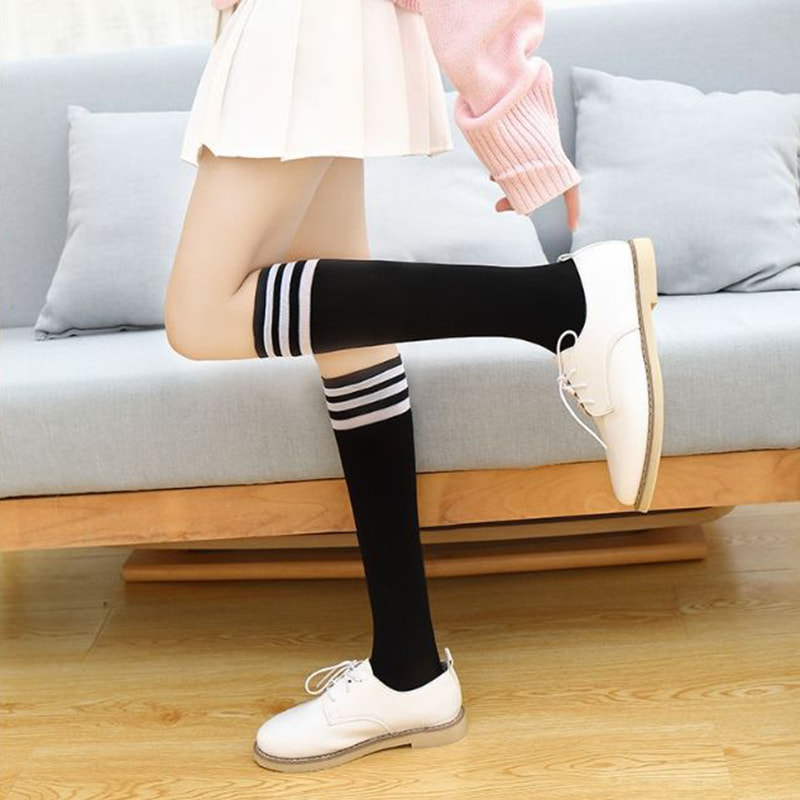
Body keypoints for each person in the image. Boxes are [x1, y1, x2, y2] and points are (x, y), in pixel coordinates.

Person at [165, 0, 664, 772]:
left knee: (199, 317)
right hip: (292, 32)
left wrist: (520, 130)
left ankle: (563, 305)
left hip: (299, 30)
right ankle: (408, 671)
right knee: (349, 344)